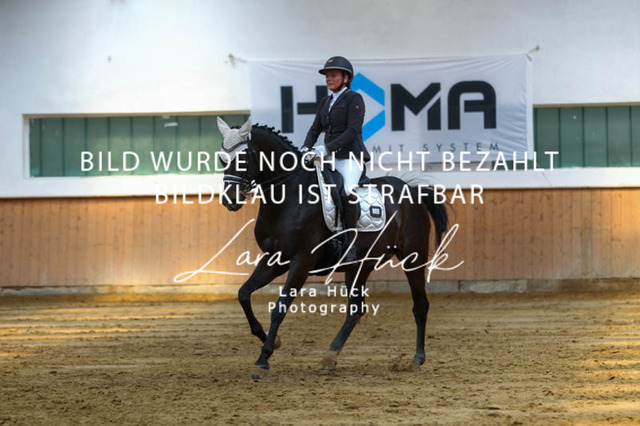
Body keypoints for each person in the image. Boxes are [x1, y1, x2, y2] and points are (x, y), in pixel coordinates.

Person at [301, 56, 371, 261]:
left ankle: (350, 243)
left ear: (346, 78)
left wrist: (326, 148)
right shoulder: (326, 102)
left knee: (348, 191)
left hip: (350, 157)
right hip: (329, 158)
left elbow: (352, 131)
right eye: (327, 76)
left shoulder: (354, 99)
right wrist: (305, 147)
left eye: (333, 75)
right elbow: (315, 129)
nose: (329, 79)